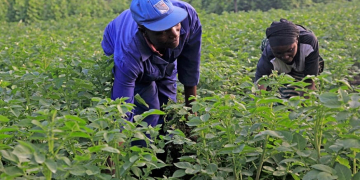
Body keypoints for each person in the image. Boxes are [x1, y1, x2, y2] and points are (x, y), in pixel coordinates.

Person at [101, 0, 202, 146]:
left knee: (167, 109)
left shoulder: (188, 17)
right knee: (149, 111)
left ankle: (165, 153)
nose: (174, 34)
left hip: (163, 54)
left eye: (175, 24)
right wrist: (114, 152)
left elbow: (190, 67)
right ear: (143, 30)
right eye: (163, 30)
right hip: (120, 43)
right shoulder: (128, 54)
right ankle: (143, 158)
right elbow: (122, 105)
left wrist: (192, 118)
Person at [255, 18, 323, 99]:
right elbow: (259, 88)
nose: (285, 56)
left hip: (304, 61)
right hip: (280, 66)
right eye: (278, 53)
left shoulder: (309, 43)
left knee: (301, 93)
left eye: (290, 50)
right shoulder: (268, 55)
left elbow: (309, 80)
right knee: (287, 93)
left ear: (297, 40)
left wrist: (303, 106)